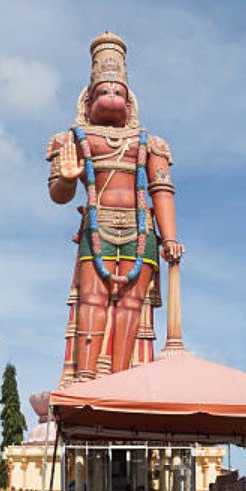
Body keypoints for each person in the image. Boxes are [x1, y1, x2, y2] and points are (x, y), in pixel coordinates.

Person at [47, 32, 184, 386]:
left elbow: (162, 189)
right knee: (91, 300)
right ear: (87, 100)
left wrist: (170, 238)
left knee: (130, 307)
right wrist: (66, 178)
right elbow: (59, 195)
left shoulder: (151, 143)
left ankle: (119, 381)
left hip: (142, 230)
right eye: (103, 91)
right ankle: (86, 377)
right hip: (98, 227)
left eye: (118, 91)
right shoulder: (72, 140)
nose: (111, 96)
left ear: (130, 102)